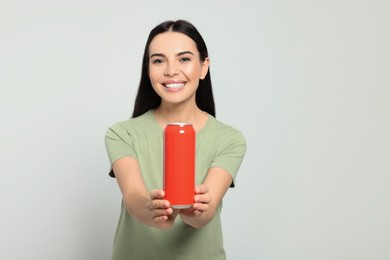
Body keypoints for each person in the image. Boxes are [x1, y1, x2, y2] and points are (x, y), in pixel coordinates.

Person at [105, 19, 246, 260]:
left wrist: (194, 207)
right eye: (159, 60)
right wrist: (153, 211)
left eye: (184, 59)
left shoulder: (229, 139)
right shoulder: (121, 133)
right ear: (148, 69)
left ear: (203, 67)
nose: (171, 70)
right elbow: (133, 197)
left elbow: (204, 215)